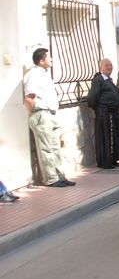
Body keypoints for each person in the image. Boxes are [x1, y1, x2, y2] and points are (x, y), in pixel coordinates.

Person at [23, 48, 74, 188]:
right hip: (41, 113)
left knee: (55, 146)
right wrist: (32, 114)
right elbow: (29, 97)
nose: (51, 59)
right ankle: (51, 179)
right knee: (46, 148)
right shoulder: (33, 74)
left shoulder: (44, 74)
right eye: (49, 57)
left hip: (51, 114)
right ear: (41, 60)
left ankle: (60, 176)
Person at [87, 58, 119, 168]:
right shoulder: (99, 79)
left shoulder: (108, 80)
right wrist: (99, 109)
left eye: (111, 65)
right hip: (104, 114)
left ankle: (112, 160)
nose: (109, 67)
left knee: (111, 138)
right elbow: (93, 97)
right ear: (101, 67)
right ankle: (105, 162)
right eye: (107, 65)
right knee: (104, 138)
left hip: (111, 114)